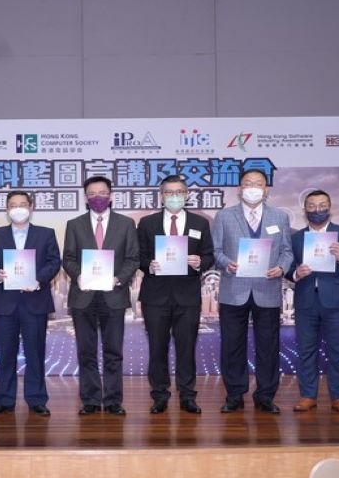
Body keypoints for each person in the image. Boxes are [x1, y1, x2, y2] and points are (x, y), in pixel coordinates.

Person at [211, 168, 293, 414]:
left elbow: (287, 251)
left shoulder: (279, 217)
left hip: (267, 289)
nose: (253, 188)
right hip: (233, 289)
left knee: (268, 346)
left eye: (258, 184)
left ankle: (265, 396)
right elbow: (216, 251)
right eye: (248, 183)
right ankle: (234, 395)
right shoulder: (224, 216)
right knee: (232, 346)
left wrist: (282, 267)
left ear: (266, 189)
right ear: (240, 189)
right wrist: (227, 263)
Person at [62, 175, 140, 415]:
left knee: (113, 352)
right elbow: (68, 258)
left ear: (111, 196)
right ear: (86, 198)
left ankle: (114, 400)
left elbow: (133, 258)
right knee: (86, 352)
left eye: (103, 193)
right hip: (83, 296)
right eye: (92, 194)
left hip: (113, 295)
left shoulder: (125, 224)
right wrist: (79, 276)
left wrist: (117, 279)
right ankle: (91, 400)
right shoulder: (74, 224)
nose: (98, 197)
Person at [136, 175, 214, 414]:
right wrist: (148, 265)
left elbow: (209, 255)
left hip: (187, 296)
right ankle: (159, 395)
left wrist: (200, 262)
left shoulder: (200, 223)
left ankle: (187, 395)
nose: (174, 196)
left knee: (186, 348)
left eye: (179, 192)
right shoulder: (147, 223)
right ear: (161, 196)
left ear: (186, 195)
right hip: (155, 296)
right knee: (157, 348)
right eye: (169, 192)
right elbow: (138, 256)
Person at [0, 191, 61, 417]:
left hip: (35, 301)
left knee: (35, 353)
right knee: (6, 354)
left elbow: (54, 261)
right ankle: (4, 400)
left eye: (23, 204)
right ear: (7, 209)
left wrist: (38, 279)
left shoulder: (46, 234)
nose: (18, 209)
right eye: (13, 205)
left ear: (31, 207)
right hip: (5, 303)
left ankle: (36, 399)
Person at [286, 189, 339, 414]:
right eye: (312, 206)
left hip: (337, 302)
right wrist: (296, 274)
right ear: (305, 210)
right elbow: (288, 268)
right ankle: (308, 396)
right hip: (306, 301)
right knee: (306, 351)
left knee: (338, 352)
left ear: (330, 208)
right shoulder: (296, 238)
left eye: (322, 205)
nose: (317, 210)